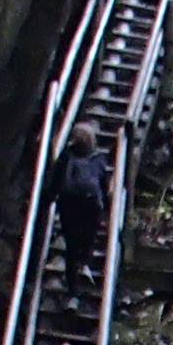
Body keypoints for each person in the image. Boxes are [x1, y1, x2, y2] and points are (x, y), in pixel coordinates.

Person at [54, 122, 112, 302]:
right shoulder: (99, 159)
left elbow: (55, 182)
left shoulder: (66, 157)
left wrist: (48, 200)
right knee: (88, 238)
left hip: (68, 205)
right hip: (91, 207)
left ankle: (73, 293)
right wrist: (108, 210)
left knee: (71, 248)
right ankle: (85, 263)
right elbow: (104, 187)